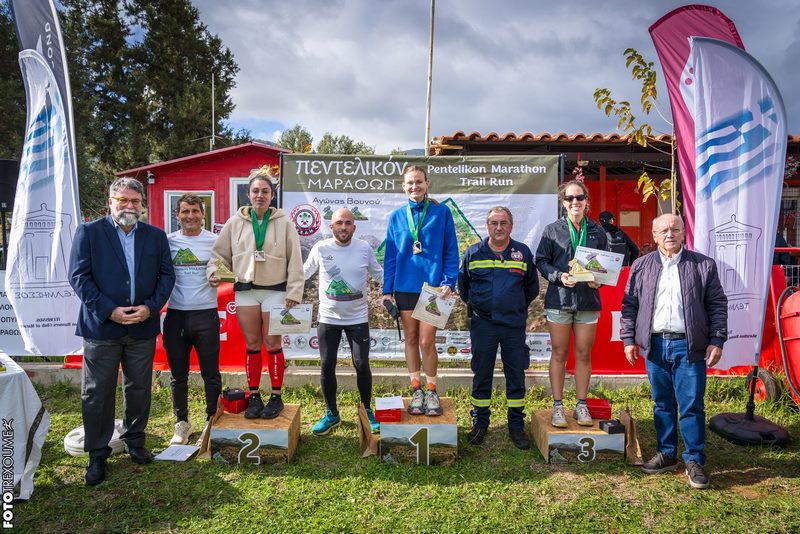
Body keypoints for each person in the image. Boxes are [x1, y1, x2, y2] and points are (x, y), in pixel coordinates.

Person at [69, 177, 175, 486]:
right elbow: (79, 277)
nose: (129, 206)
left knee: (138, 387)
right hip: (102, 326)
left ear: (142, 205)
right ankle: (97, 452)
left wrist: (150, 308)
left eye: (135, 201)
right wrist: (109, 310)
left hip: (142, 325)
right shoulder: (89, 232)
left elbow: (166, 276)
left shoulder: (155, 236)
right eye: (123, 200)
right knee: (97, 391)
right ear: (110, 202)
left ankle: (134, 440)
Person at [621, 213, 727, 490]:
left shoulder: (703, 265)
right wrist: (628, 339)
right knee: (662, 403)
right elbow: (630, 305)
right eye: (664, 230)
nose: (670, 234)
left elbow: (717, 304)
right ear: (654, 236)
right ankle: (666, 454)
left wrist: (717, 340)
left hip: (688, 346)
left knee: (691, 405)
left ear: (683, 233)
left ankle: (694, 459)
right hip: (655, 346)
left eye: (675, 229)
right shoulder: (641, 266)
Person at [208, 170, 303, 420]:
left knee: (272, 344)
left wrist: (294, 291)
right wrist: (215, 272)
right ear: (248, 194)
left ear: (272, 195)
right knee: (252, 344)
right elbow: (219, 255)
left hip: (276, 290)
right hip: (246, 290)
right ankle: (254, 396)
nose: (260, 195)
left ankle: (276, 396)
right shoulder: (234, 222)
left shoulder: (284, 222)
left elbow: (295, 259)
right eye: (255, 191)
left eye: (265, 191)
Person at [458, 207, 538, 449]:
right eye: (494, 223)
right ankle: (480, 423)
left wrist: (513, 306)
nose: (499, 227)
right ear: (487, 226)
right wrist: (482, 307)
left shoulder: (522, 253)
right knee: (482, 373)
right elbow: (464, 288)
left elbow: (531, 289)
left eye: (503, 223)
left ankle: (516, 426)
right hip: (483, 324)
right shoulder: (473, 253)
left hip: (513, 325)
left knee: (516, 375)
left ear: (511, 226)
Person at [382, 165, 459, 416]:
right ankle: (416, 390)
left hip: (433, 288)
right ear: (403, 187)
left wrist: (449, 281)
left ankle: (432, 390)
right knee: (412, 339)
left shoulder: (442, 212)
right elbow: (391, 256)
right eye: (410, 183)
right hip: (404, 287)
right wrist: (387, 290)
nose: (414, 186)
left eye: (418, 182)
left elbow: (451, 249)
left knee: (427, 341)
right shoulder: (396, 216)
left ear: (427, 184)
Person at [303, 208, 383, 435]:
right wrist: (283, 287)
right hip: (328, 318)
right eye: (339, 223)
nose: (344, 227)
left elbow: (379, 274)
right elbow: (303, 273)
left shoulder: (364, 248)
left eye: (348, 223)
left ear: (354, 227)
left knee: (361, 363)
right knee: (327, 364)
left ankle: (366, 410)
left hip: (358, 318)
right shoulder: (321, 248)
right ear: (331, 227)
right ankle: (332, 414)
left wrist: (397, 287)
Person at [535, 180, 607, 428]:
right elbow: (541, 261)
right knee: (559, 353)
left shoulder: (597, 231)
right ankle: (557, 406)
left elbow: (605, 266)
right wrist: (558, 276)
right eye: (569, 198)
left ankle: (581, 404)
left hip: (588, 300)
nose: (574, 202)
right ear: (563, 202)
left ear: (586, 201)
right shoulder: (552, 230)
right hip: (560, 299)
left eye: (579, 198)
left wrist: (600, 282)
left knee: (584, 353)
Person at [163, 193, 221, 445]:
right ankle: (182, 423)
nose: (190, 216)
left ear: (203, 214)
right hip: (175, 316)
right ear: (177, 215)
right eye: (185, 211)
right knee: (178, 376)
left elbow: (228, 268)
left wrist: (221, 276)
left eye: (195, 211)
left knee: (211, 374)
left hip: (206, 314)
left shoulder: (215, 241)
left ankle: (212, 420)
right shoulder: (167, 242)